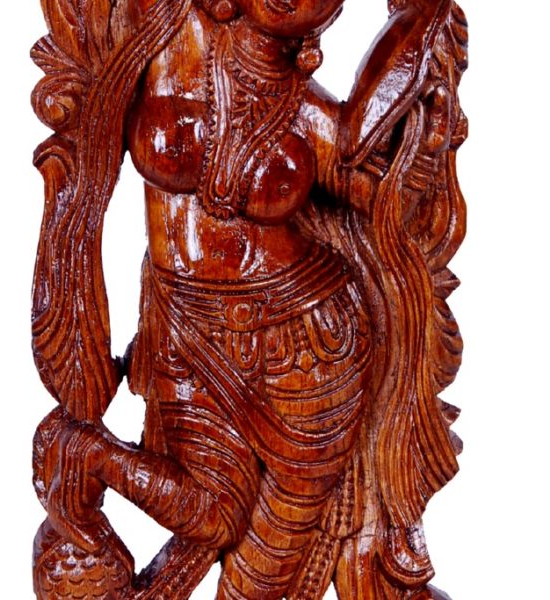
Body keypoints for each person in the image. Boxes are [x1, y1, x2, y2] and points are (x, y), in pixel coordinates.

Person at [31, 0, 468, 598]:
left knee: (263, 568)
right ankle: (90, 452)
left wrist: (421, 36)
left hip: (310, 347)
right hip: (186, 330)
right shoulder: (165, 30)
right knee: (213, 513)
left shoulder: (305, 109)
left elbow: (368, 178)